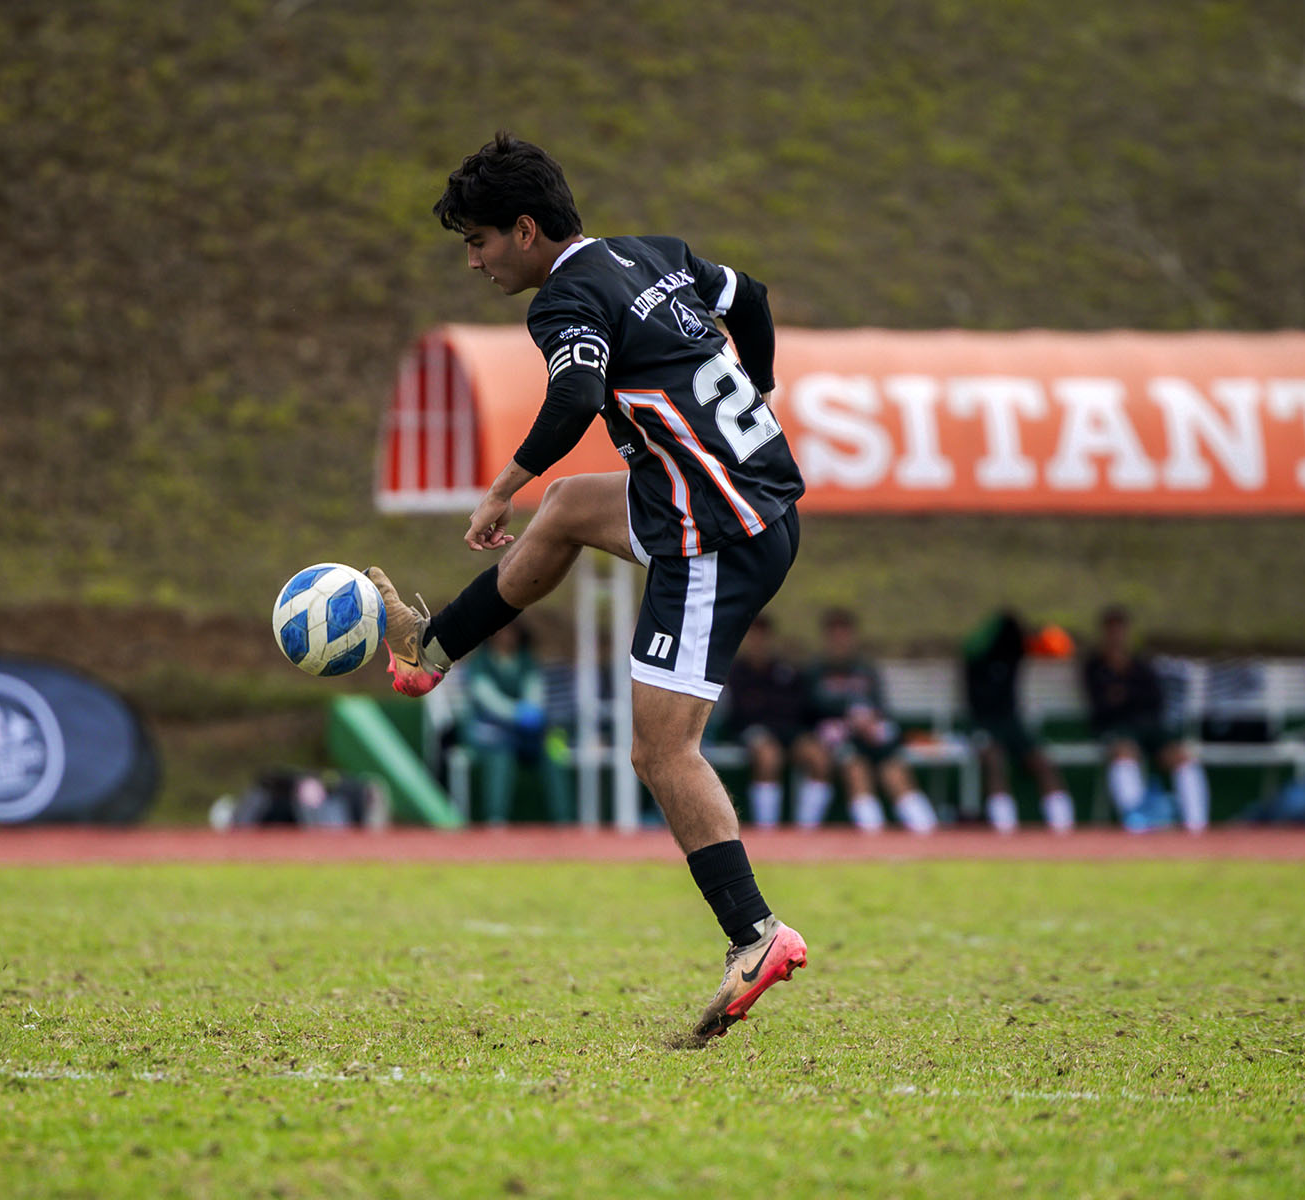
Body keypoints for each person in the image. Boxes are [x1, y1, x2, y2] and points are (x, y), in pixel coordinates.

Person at [367, 133, 807, 1041]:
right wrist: (757, 390)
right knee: (567, 508)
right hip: (745, 497)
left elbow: (574, 399)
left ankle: (755, 936)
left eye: (481, 240)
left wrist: (499, 490)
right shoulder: (653, 255)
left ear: (526, 230)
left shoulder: (567, 298)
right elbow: (751, 300)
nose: (476, 260)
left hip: (713, 533)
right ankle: (430, 650)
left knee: (660, 753)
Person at [798, 609, 936, 833]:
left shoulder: (866, 670)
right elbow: (809, 712)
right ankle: (873, 836)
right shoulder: (815, 672)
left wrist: (870, 722)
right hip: (836, 740)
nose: (840, 641)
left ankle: (928, 833)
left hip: (871, 737)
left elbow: (881, 709)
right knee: (855, 768)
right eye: (835, 635)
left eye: (845, 634)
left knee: (894, 770)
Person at [1082, 605, 1209, 832]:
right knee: (1124, 752)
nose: (1116, 636)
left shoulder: (1141, 664)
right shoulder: (1094, 665)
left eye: (1120, 630)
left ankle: (1196, 827)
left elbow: (1154, 700)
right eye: (1111, 631)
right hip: (1115, 728)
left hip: (1149, 727)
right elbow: (1102, 705)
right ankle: (1137, 825)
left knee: (1182, 756)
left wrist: (1124, 693)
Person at [962, 611, 1076, 832]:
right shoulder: (976, 657)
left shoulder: (1014, 654)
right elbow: (971, 647)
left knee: (1040, 761)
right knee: (994, 760)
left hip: (1011, 723)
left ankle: (1063, 824)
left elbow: (1057, 646)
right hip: (983, 723)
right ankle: (1005, 825)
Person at [454, 623, 572, 824]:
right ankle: (496, 819)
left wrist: (530, 710)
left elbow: (534, 690)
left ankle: (564, 819)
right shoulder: (480, 663)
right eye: (501, 631)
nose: (506, 636)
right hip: (488, 734)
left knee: (554, 753)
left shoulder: (527, 661)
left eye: (511, 631)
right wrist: (516, 713)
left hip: (525, 734)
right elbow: (488, 698)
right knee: (501, 755)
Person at [717, 615, 807, 829]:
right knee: (768, 756)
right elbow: (738, 712)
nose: (759, 640)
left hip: (787, 731)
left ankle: (808, 829)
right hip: (750, 732)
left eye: (763, 635)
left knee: (816, 755)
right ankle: (767, 829)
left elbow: (798, 707)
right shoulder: (735, 671)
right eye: (754, 634)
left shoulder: (784, 670)